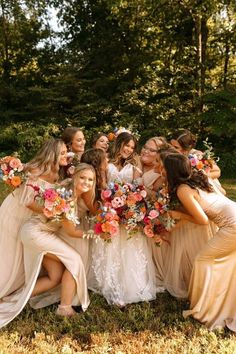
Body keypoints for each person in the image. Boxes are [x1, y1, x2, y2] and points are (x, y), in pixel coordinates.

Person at [161, 153, 236, 331]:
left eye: (163, 168)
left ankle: (204, 308)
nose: (161, 171)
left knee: (202, 261)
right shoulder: (199, 177)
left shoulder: (183, 190)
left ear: (171, 171)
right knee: (227, 262)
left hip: (232, 226)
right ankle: (219, 301)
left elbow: (202, 220)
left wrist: (180, 215)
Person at [88, 132, 157, 306]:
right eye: (126, 145)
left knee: (128, 247)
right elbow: (103, 185)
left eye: (132, 147)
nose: (129, 149)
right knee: (111, 247)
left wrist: (129, 206)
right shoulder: (107, 162)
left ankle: (130, 285)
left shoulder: (134, 167)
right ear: (119, 144)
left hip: (127, 211)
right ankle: (109, 284)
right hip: (109, 209)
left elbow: (137, 189)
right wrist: (110, 205)